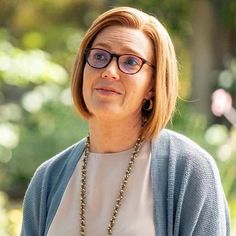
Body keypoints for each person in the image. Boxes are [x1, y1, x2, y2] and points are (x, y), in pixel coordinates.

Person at [21, 6, 230, 236]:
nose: (110, 71)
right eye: (99, 56)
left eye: (130, 62)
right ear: (83, 70)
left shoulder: (189, 170)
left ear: (152, 86)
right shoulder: (48, 179)